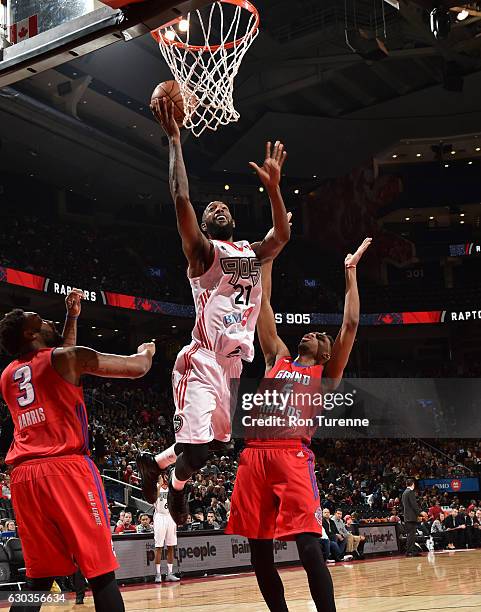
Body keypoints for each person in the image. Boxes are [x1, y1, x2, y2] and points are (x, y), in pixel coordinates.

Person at [137, 98, 290, 524]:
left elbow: (280, 236)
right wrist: (174, 139)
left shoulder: (249, 252)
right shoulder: (204, 254)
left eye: (223, 207)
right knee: (200, 451)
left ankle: (157, 464)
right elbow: (181, 195)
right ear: (204, 227)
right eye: (210, 210)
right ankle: (174, 487)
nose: (217, 207)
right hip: (202, 359)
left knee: (218, 446)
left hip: (232, 367)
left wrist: (274, 190)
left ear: (233, 222)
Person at [225, 235, 371, 611]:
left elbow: (351, 323)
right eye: (313, 332)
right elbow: (264, 305)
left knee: (308, 546)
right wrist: (269, 255)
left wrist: (350, 273)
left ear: (325, 351)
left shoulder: (326, 374)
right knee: (258, 553)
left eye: (321, 336)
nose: (313, 334)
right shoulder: (279, 356)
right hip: (254, 455)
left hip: (292, 456)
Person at [0, 290, 155, 612]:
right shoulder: (67, 358)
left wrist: (73, 317)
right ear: (30, 334)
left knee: (38, 580)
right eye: (41, 321)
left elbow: (56, 360)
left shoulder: (8, 375)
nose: (48, 321)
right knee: (101, 574)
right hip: (65, 469)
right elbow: (136, 368)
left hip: (25, 477)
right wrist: (147, 351)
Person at [153, 472, 180, 583]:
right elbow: (154, 497)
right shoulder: (155, 488)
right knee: (159, 546)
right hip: (160, 516)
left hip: (170, 516)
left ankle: (169, 573)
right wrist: (159, 485)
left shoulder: (171, 489)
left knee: (171, 546)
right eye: (163, 476)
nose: (165, 478)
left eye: (166, 476)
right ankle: (158, 574)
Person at [402, 478, 421, 557]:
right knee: (411, 535)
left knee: (410, 535)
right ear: (413, 484)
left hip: (407, 517)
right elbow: (414, 505)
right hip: (411, 517)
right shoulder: (410, 492)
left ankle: (410, 551)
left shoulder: (404, 493)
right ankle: (410, 551)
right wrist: (419, 513)